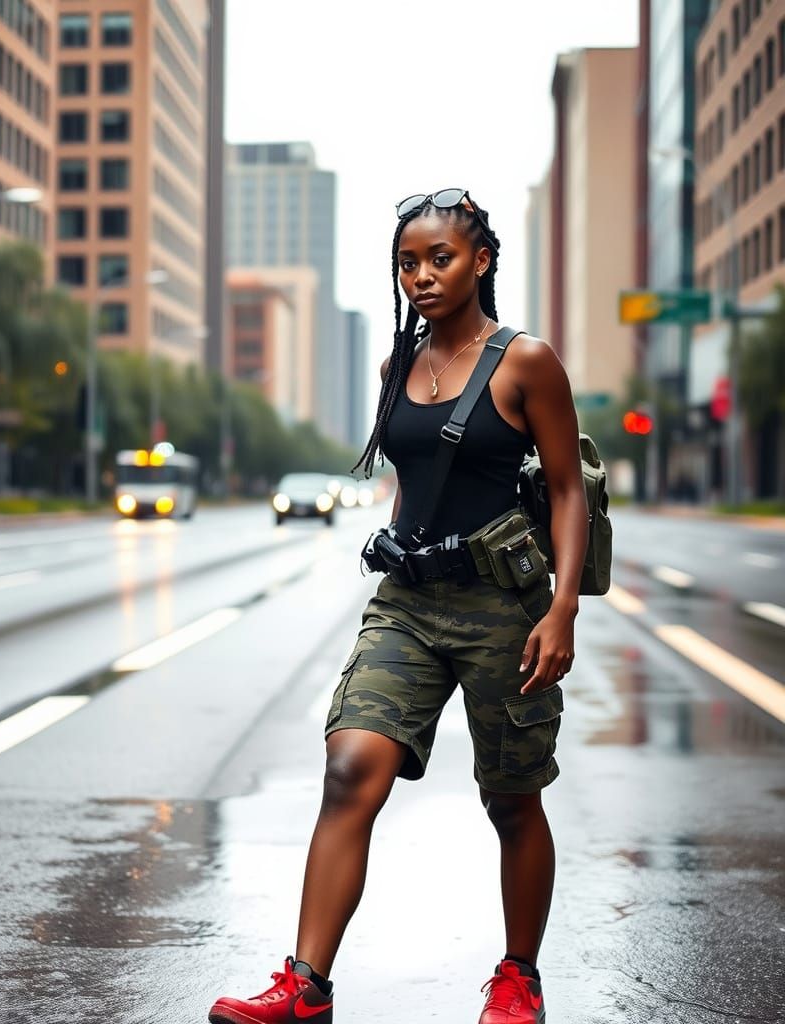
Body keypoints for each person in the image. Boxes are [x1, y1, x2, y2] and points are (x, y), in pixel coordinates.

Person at [208, 189, 587, 1024]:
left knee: (512, 799)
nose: (420, 275)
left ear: (480, 260)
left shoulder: (526, 362)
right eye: (407, 263)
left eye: (439, 258)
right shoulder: (397, 366)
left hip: (503, 609)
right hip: (408, 604)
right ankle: (306, 985)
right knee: (350, 770)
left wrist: (560, 610)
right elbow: (413, 482)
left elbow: (566, 490)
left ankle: (518, 978)